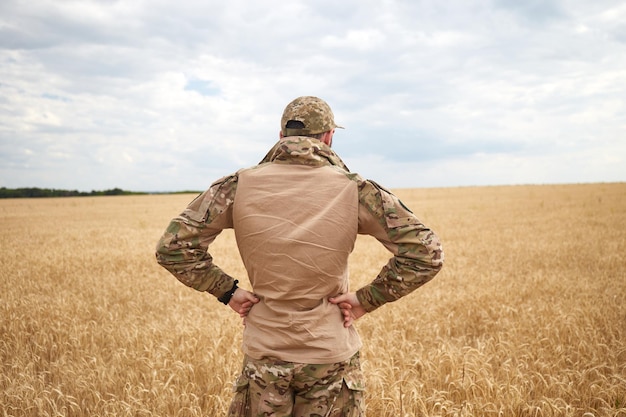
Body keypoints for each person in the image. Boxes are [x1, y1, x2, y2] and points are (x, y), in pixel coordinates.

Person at [155, 96, 444, 416]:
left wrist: (228, 291)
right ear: (329, 136)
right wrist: (367, 298)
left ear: (281, 137)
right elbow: (426, 251)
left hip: (265, 356)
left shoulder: (237, 185)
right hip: (330, 356)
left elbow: (172, 247)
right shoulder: (355, 189)